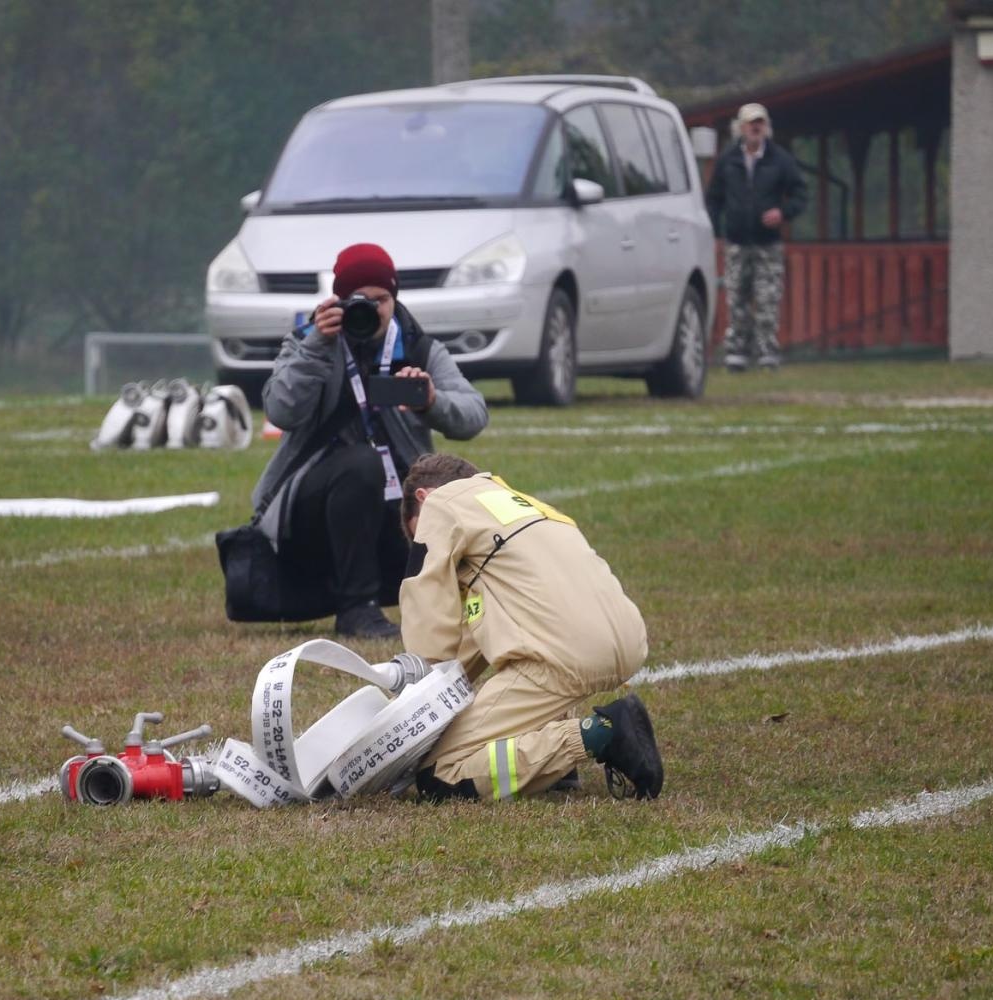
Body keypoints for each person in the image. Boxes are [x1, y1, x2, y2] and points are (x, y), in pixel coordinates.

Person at [250, 242, 488, 640]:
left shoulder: (417, 348)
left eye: (383, 299)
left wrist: (431, 401)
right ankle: (357, 609)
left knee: (454, 486)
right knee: (361, 464)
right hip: (313, 518)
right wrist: (315, 348)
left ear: (395, 299)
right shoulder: (308, 342)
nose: (373, 310)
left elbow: (474, 415)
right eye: (361, 300)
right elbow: (281, 410)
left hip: (394, 514)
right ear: (339, 301)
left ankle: (464, 601)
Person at [394, 453, 662, 802]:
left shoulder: (441, 505)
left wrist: (421, 687)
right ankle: (554, 762)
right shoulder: (527, 507)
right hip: (627, 637)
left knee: (439, 773)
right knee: (521, 665)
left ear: (423, 499)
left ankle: (601, 733)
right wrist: (445, 688)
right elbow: (479, 627)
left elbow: (425, 594)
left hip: (561, 655)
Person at [704, 102, 808, 371]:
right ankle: (737, 353)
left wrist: (782, 213)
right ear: (741, 127)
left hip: (768, 243)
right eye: (751, 122)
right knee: (736, 297)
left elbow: (800, 194)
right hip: (736, 241)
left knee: (767, 299)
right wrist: (715, 232)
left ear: (767, 126)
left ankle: (766, 353)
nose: (756, 127)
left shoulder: (780, 159)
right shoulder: (728, 160)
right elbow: (713, 199)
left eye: (760, 122)